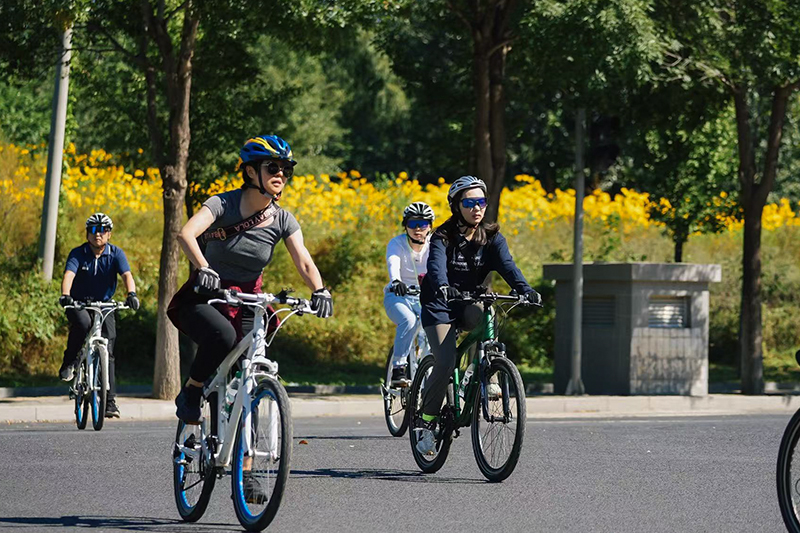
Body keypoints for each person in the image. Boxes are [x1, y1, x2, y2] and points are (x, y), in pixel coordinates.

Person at [171, 134, 333, 427]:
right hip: (208, 295)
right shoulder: (222, 204)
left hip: (249, 300)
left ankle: (245, 457)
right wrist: (204, 268)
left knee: (252, 368)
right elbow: (186, 234)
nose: (280, 175)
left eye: (286, 169)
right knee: (223, 337)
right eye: (273, 167)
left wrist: (320, 290)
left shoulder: (283, 219)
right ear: (250, 171)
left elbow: (304, 260)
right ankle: (192, 391)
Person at [414, 176, 542, 455]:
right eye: (470, 203)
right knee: (445, 362)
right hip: (440, 303)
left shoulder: (493, 238)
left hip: (470, 300)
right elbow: (436, 267)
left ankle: (488, 374)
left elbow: (508, 267)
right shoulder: (442, 236)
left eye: (481, 202)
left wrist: (525, 289)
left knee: (487, 316)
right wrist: (444, 286)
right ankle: (426, 423)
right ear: (456, 206)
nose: (477, 208)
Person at [58, 212, 140, 419]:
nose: (98, 234)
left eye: (103, 230)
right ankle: (71, 362)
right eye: (93, 230)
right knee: (83, 324)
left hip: (104, 305)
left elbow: (127, 275)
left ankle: (110, 402)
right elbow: (69, 275)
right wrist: (65, 295)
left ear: (109, 234)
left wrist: (132, 294)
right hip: (79, 302)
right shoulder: (78, 253)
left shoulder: (116, 254)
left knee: (109, 348)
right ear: (87, 234)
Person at [383, 201, 435, 386]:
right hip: (398, 296)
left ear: (430, 226)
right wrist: (396, 281)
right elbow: (393, 263)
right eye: (413, 224)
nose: (418, 228)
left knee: (435, 326)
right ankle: (399, 367)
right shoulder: (397, 243)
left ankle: (429, 368)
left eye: (423, 224)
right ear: (405, 225)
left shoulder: (434, 245)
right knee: (409, 320)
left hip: (426, 297)